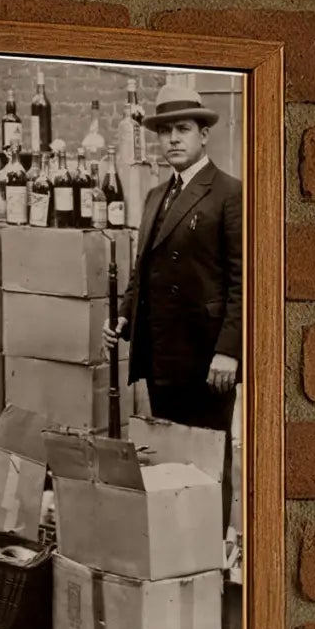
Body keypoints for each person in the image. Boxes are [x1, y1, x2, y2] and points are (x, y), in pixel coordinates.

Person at [112, 80, 242, 431]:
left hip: (206, 358)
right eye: (165, 131)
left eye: (183, 129)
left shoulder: (230, 193)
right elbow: (143, 267)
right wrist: (123, 315)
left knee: (206, 456)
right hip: (162, 355)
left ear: (204, 135)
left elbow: (243, 282)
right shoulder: (155, 195)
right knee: (168, 455)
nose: (173, 139)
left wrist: (229, 351)